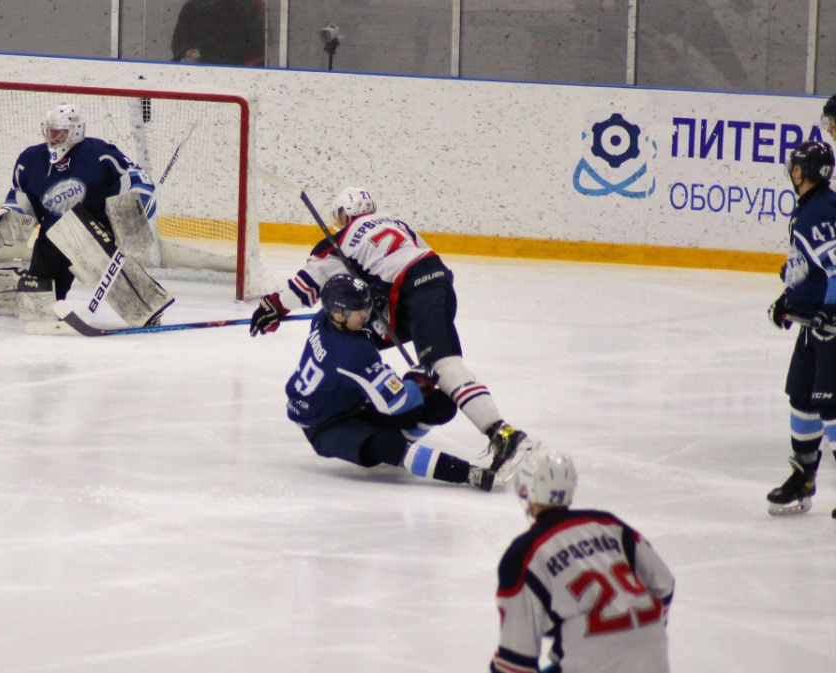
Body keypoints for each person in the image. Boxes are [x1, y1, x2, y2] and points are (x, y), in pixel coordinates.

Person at [252, 187, 531, 473]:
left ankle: (504, 435)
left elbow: (311, 281)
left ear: (345, 214)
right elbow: (415, 259)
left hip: (414, 292)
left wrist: (275, 306)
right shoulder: (396, 222)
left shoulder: (340, 239)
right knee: (357, 337)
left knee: (443, 365)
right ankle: (382, 406)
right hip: (435, 285)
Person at [286, 274, 496, 489]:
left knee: (440, 406)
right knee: (387, 447)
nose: (366, 315)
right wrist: (417, 380)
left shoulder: (323, 318)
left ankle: (401, 437)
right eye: (359, 311)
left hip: (348, 401)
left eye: (365, 307)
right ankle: (470, 474)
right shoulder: (351, 354)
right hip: (323, 425)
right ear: (339, 315)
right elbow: (396, 402)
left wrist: (371, 296)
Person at [0, 103, 170, 326]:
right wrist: (5, 219)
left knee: (98, 254)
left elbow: (134, 177)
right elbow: (23, 200)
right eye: (51, 130)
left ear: (76, 131)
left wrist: (137, 203)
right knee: (39, 310)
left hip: (96, 230)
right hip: (54, 235)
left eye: (60, 131)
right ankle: (15, 287)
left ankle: (145, 308)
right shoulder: (29, 161)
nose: (54, 136)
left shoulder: (99, 153)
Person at [491, 447, 675, 673]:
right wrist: (635, 634)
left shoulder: (525, 553)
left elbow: (515, 663)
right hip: (653, 658)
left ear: (525, 490)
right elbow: (664, 584)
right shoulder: (611, 525)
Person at [766, 140, 836, 516]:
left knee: (832, 406)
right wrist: (788, 300)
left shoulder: (820, 210)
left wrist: (832, 310)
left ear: (808, 172)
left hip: (832, 327)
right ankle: (803, 480)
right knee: (802, 400)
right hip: (813, 324)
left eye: (797, 167)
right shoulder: (810, 207)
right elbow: (806, 268)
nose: (792, 173)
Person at [171, 0, 265, 66]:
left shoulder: (247, 8)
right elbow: (178, 43)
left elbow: (251, 46)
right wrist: (187, 51)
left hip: (232, 68)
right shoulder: (192, 6)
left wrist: (203, 54)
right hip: (194, 64)